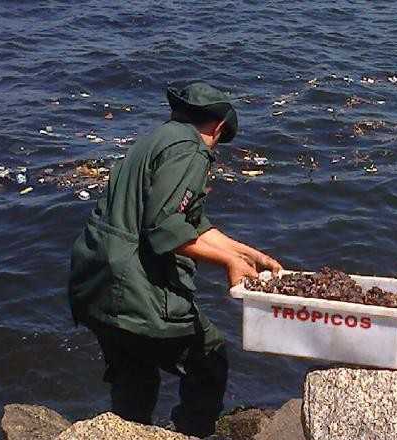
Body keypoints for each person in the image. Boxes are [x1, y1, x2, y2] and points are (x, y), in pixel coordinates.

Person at [68, 82, 282, 437]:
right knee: (210, 358)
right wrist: (228, 265)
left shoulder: (156, 141)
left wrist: (245, 254)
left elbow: (191, 224)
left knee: (134, 374)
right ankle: (188, 432)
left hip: (95, 283)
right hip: (132, 290)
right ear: (216, 127)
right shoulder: (191, 150)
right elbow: (166, 227)